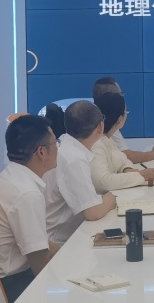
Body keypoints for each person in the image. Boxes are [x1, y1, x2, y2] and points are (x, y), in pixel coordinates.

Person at [0, 115, 60, 303]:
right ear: (41, 152)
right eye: (55, 142)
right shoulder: (27, 194)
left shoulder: (11, 177)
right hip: (13, 285)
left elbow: (41, 243)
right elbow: (40, 264)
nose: (58, 148)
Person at [44, 100, 117, 243]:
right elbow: (93, 212)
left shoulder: (65, 144)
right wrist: (110, 200)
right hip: (58, 244)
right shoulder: (74, 158)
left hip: (63, 234)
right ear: (100, 127)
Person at [91, 92, 154, 192]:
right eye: (126, 111)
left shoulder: (107, 138)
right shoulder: (95, 143)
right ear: (120, 119)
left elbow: (122, 159)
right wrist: (140, 176)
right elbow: (103, 183)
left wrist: (127, 169)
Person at [92, 77, 154, 163]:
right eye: (120, 95)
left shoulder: (97, 121)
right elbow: (128, 156)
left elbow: (122, 159)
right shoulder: (106, 126)